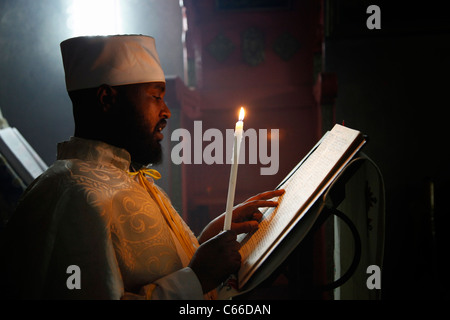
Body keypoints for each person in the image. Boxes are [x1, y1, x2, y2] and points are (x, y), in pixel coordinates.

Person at [0, 35, 284, 300]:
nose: (167, 111)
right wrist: (197, 276)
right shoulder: (72, 191)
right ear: (107, 99)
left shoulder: (128, 177)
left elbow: (146, 273)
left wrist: (205, 241)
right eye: (155, 96)